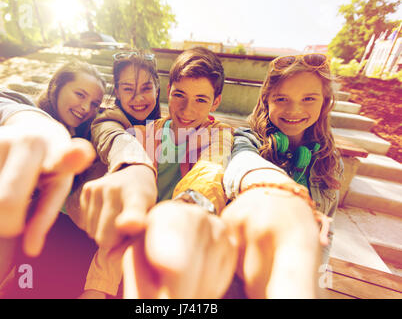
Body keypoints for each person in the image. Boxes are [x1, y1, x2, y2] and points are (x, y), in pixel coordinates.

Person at [82, 47, 238, 299]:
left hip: (185, 236)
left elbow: (212, 167)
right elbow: (129, 211)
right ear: (167, 91)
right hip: (140, 237)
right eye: (180, 95)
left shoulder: (219, 135)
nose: (187, 110)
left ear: (216, 102)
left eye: (201, 100)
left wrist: (188, 205)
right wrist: (97, 288)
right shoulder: (146, 132)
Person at [0, 60, 106, 298]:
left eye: (94, 104)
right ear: (56, 86)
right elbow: (24, 117)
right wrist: (44, 132)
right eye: (80, 94)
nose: (86, 107)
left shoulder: (76, 150)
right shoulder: (11, 102)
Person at [221, 53, 343, 298]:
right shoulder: (247, 140)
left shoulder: (331, 160)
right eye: (282, 99)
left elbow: (326, 231)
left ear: (325, 101)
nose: (294, 110)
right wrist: (279, 192)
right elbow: (243, 162)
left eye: (308, 98)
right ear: (267, 101)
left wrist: (315, 275)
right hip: (238, 274)